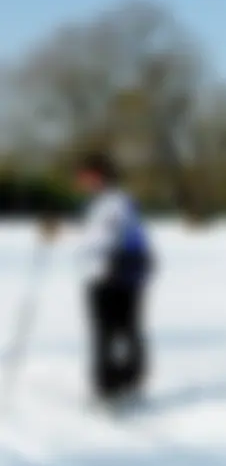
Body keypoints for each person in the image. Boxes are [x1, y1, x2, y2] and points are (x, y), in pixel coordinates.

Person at [73, 151, 156, 407]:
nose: (80, 182)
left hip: (110, 272)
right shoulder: (114, 201)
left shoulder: (111, 203)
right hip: (123, 272)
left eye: (85, 176)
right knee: (124, 329)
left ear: (98, 176)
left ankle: (111, 387)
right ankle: (124, 383)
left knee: (110, 330)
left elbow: (102, 238)